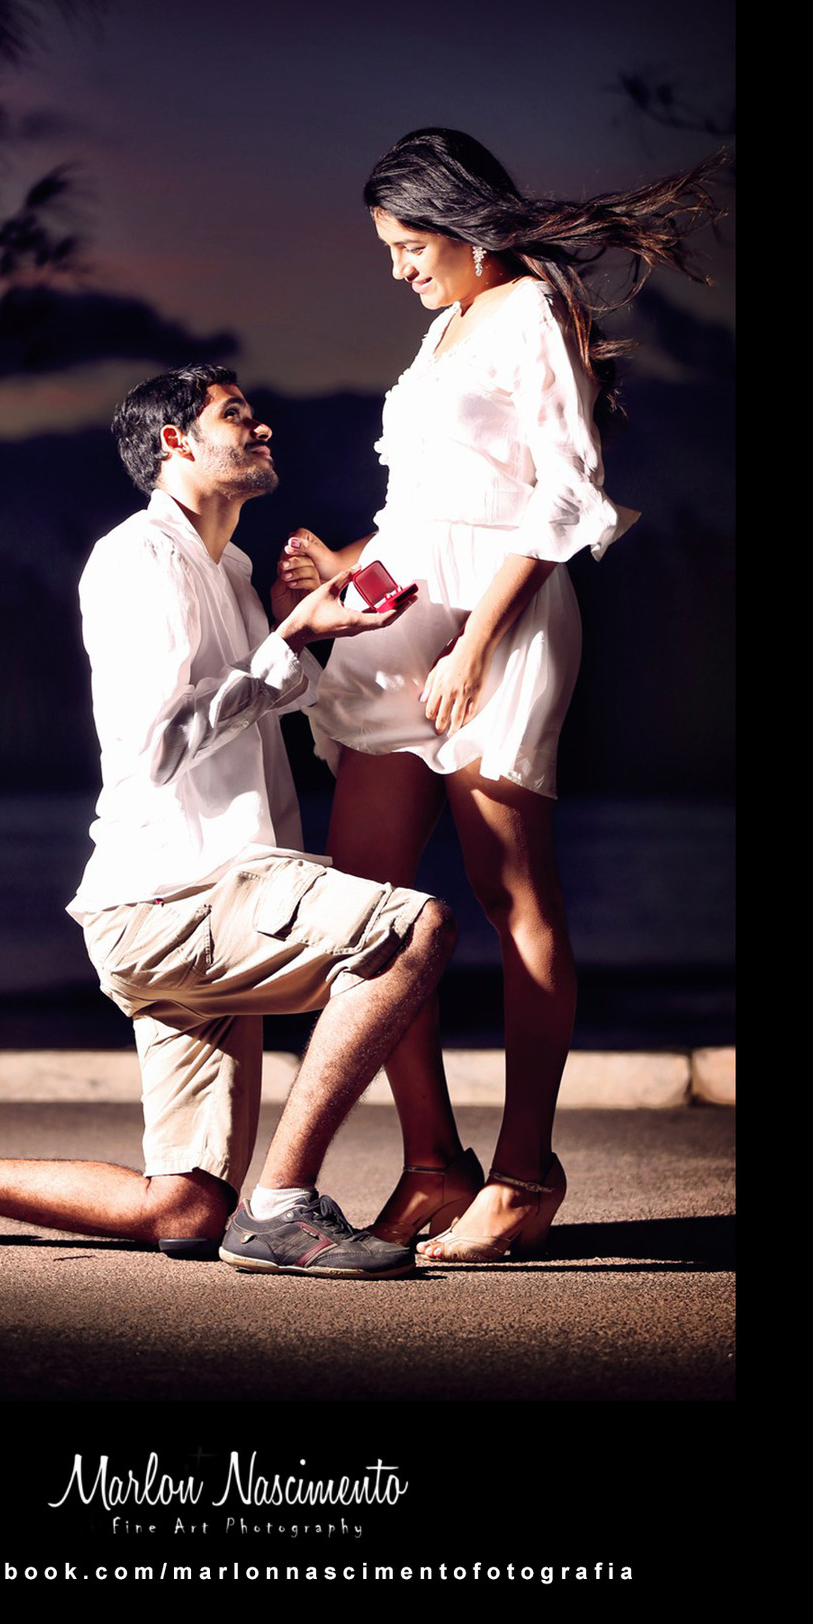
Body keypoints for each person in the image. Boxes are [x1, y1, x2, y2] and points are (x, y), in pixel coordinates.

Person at [0, 364, 457, 1278]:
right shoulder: (137, 559)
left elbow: (249, 704)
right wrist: (290, 640)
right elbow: (156, 746)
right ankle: (284, 1206)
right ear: (175, 443)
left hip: (206, 898)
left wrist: (300, 630)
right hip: (180, 899)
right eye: (235, 415)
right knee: (413, 930)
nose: (261, 429)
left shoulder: (234, 568)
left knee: (183, 1209)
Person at [274, 127, 722, 1262]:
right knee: (367, 907)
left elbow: (564, 494)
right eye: (387, 249)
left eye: (408, 244)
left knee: (510, 889)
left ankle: (525, 1174)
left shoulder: (531, 313)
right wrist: (343, 571)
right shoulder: (443, 327)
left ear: (464, 225)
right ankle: (434, 1164)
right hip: (398, 627)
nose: (398, 269)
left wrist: (478, 641)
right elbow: (428, 512)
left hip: (500, 628)